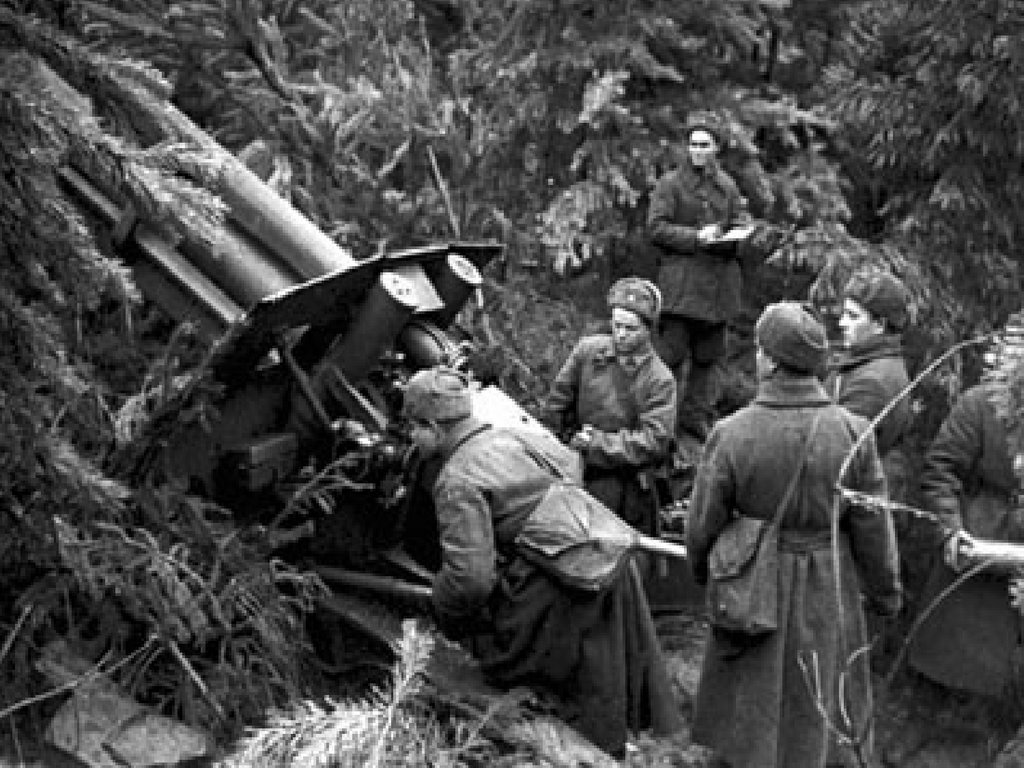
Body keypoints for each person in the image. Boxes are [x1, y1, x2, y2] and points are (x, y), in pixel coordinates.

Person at [402, 366, 682, 758]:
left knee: (542, 686)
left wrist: (441, 605)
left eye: (414, 428)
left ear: (434, 427)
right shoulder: (514, 437)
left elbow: (471, 581)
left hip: (560, 587)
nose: (411, 439)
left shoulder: (457, 480)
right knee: (599, 683)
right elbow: (571, 467)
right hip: (599, 556)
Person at [686, 301, 902, 768]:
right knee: (819, 701)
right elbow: (873, 529)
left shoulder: (732, 434)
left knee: (751, 707)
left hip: (753, 586)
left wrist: (705, 571)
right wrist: (885, 595)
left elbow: (703, 523)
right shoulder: (853, 433)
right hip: (831, 586)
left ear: (768, 360)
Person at [908, 359, 1024, 698]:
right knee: (951, 677)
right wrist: (950, 530)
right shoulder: (982, 404)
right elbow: (941, 472)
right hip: (978, 549)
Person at [541, 277, 676, 536]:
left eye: (631, 328)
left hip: (626, 486)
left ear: (648, 329)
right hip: (574, 465)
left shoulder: (659, 379)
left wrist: (597, 444)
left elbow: (654, 441)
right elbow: (557, 404)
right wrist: (553, 448)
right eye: (617, 326)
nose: (621, 334)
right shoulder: (588, 352)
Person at [647, 110, 749, 443]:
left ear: (717, 147)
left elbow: (738, 221)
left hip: (718, 291)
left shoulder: (727, 187)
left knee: (709, 359)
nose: (698, 151)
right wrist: (696, 237)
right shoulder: (671, 184)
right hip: (681, 289)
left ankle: (696, 418)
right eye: (693, 144)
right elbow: (656, 228)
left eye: (705, 145)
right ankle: (661, 421)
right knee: (670, 357)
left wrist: (738, 235)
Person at [825, 270, 913, 501]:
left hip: (854, 503)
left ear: (879, 324)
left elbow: (838, 455)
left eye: (853, 316)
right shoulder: (866, 365)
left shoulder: (873, 382)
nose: (842, 323)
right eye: (844, 314)